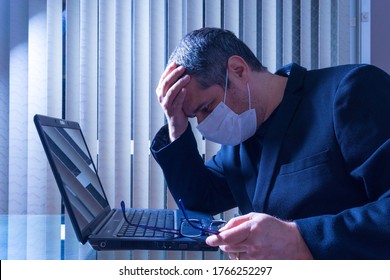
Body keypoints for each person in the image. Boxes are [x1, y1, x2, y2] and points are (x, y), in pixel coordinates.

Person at [150, 27, 390, 259]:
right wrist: (177, 125)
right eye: (195, 117)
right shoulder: (240, 138)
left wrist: (301, 238)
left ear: (238, 70)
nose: (204, 124)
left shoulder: (350, 90)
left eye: (206, 108)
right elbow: (199, 199)